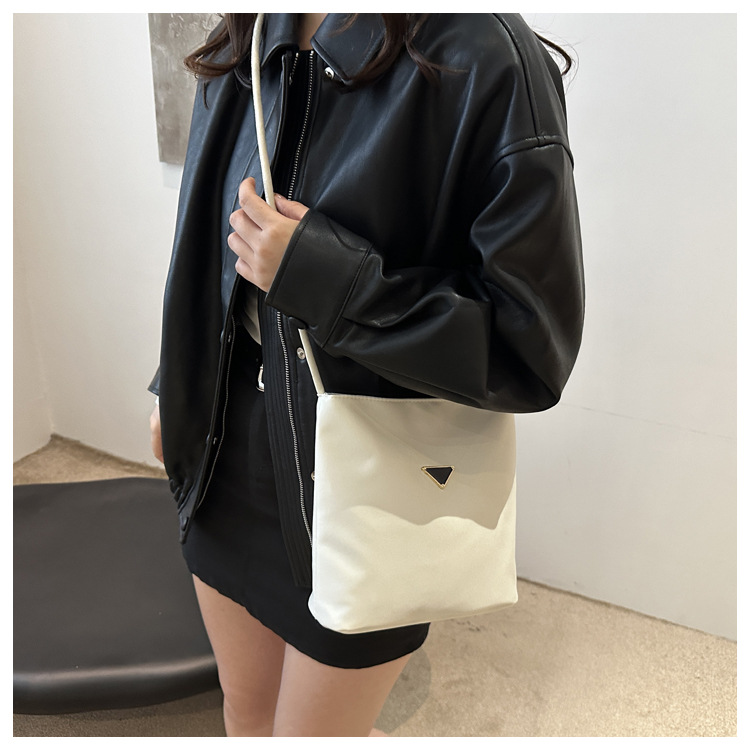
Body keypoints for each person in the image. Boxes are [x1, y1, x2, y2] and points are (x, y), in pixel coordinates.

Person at [148, 13, 584, 737]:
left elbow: (530, 346)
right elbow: (202, 229)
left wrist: (329, 281)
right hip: (226, 446)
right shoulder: (252, 28)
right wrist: (174, 381)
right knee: (247, 712)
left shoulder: (484, 54)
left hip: (373, 475)